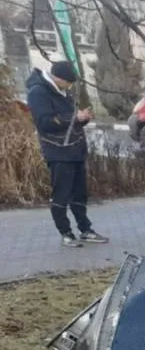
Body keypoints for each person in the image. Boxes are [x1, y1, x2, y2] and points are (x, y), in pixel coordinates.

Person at [25, 60, 108, 247]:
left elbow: (71, 121)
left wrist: (83, 118)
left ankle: (85, 229)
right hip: (58, 151)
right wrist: (73, 117)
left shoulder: (63, 91)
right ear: (58, 78)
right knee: (61, 194)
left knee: (79, 194)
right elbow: (45, 122)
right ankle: (66, 233)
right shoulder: (38, 92)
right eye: (68, 83)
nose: (70, 87)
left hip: (75, 149)